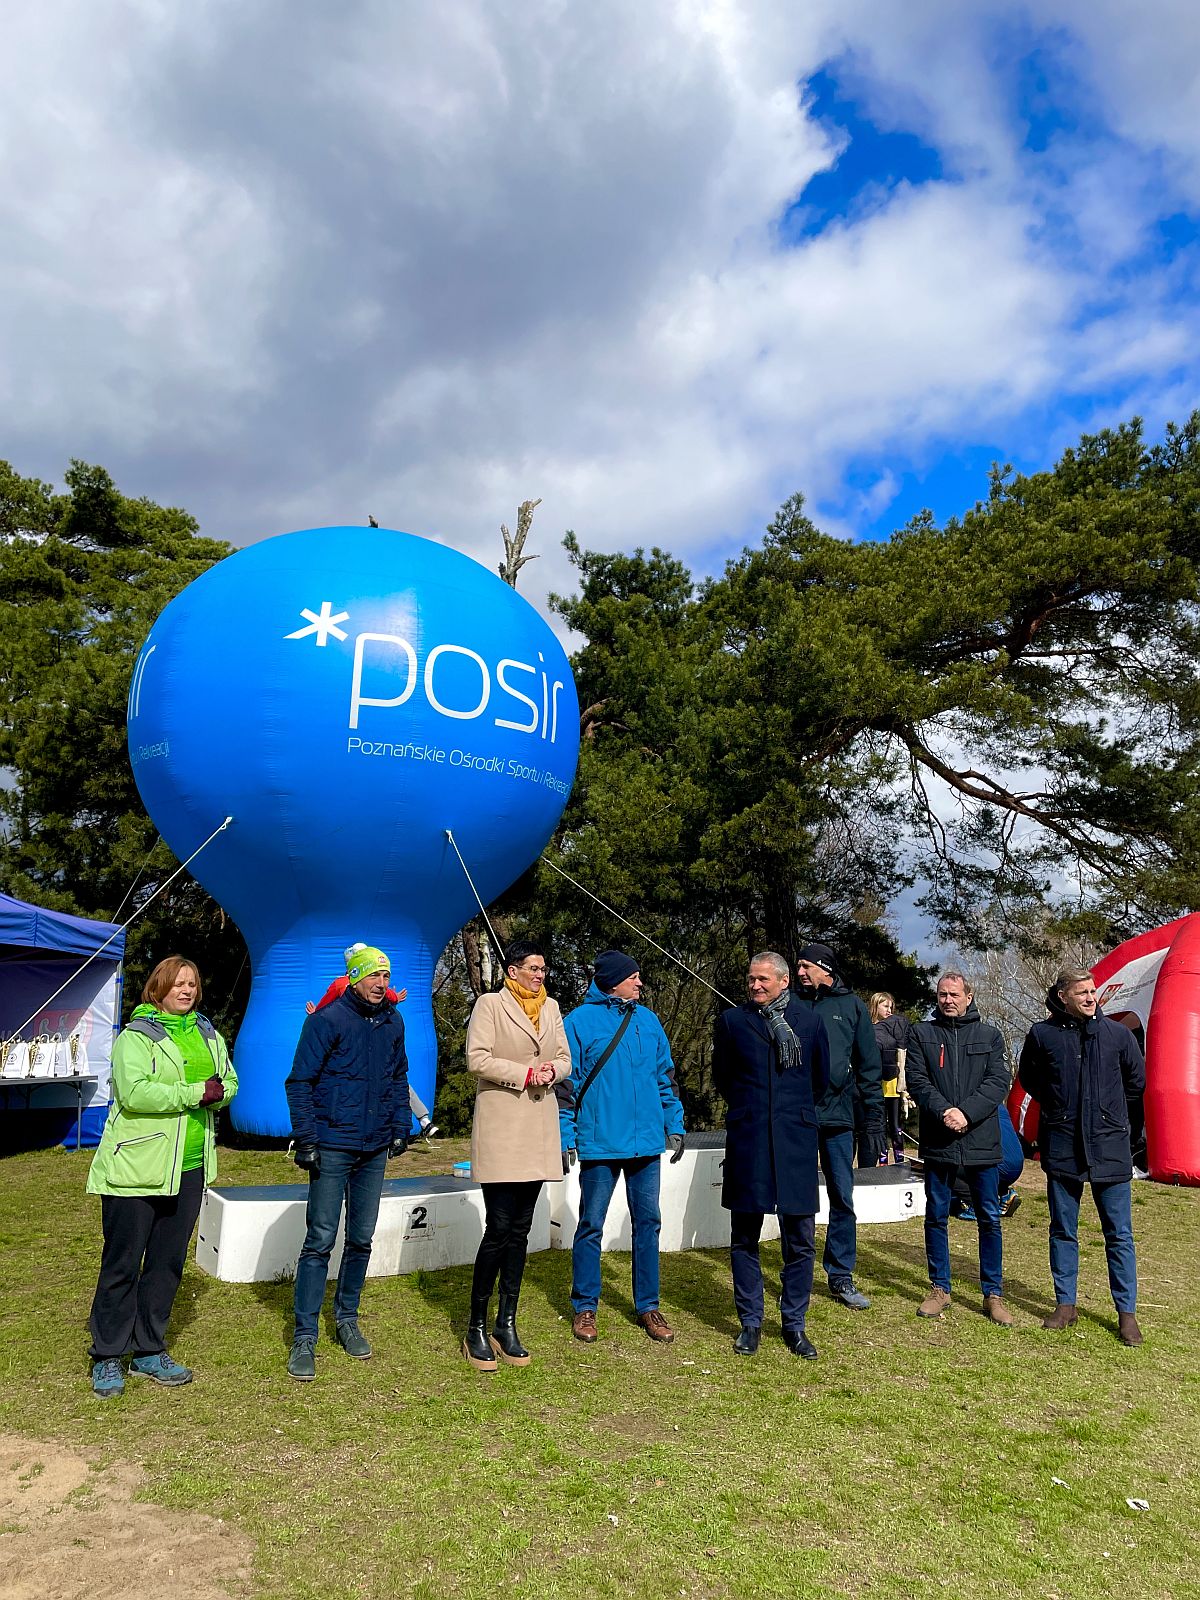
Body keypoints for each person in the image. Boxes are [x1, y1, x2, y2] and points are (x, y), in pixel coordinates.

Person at [86, 956, 237, 1398]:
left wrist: (219, 1091)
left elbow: (229, 1082)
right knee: (122, 1263)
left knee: (167, 1263)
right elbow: (134, 1094)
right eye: (177, 984)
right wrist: (196, 1092)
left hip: (190, 1166)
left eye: (192, 984)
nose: (186, 991)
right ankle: (108, 1355)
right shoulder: (136, 1037)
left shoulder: (208, 1033)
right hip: (137, 1167)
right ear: (158, 988)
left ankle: (149, 1350)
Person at [284, 943, 410, 1381]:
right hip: (332, 1145)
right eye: (373, 976)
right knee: (319, 1239)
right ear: (354, 978)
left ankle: (347, 1319)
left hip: (374, 1147)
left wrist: (401, 1125)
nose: (380, 984)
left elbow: (399, 1078)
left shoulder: (394, 1021)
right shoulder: (326, 1020)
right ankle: (304, 1335)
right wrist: (307, 1140)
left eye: (386, 977)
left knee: (361, 1238)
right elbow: (299, 1081)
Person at [559, 950, 686, 1345]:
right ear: (612, 980)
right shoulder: (578, 1022)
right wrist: (566, 1137)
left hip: (646, 1144)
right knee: (590, 1225)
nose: (640, 983)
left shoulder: (648, 1021)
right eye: (633, 977)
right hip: (599, 1145)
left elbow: (666, 1077)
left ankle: (648, 1306)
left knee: (648, 1224)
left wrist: (675, 1124)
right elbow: (566, 1087)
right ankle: (585, 1306)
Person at [1018, 967, 1146, 1345]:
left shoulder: (1118, 1036)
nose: (1091, 998)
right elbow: (1030, 1078)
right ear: (1062, 997)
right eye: (1082, 993)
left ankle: (1127, 1314)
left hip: (1110, 1147)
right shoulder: (1042, 1035)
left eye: (1093, 991)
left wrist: (1107, 1113)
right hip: (1062, 1145)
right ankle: (1065, 1305)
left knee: (1119, 1234)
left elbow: (1136, 1083)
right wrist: (1061, 1106)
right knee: (1062, 1229)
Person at [713, 951, 830, 1359]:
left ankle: (794, 1324)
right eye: (750, 979)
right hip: (750, 1140)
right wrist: (752, 1112)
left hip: (796, 1141)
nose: (755, 986)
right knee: (744, 1236)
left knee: (800, 1240)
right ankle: (750, 1322)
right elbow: (723, 1078)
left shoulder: (810, 1022)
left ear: (783, 981)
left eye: (763, 979)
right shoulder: (732, 1023)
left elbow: (819, 1080)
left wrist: (790, 1117)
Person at [462, 938, 570, 1371]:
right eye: (532, 968)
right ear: (512, 971)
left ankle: (507, 1322)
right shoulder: (490, 1005)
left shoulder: (552, 1007)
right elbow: (477, 1058)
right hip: (503, 1126)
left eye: (543, 968)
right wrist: (524, 1073)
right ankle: (476, 1326)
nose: (540, 975)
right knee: (500, 1226)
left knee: (523, 1228)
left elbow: (564, 1056)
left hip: (540, 1126)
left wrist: (551, 1070)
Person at [905, 972, 1012, 1324]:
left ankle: (992, 1293)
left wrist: (966, 1113)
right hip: (939, 1141)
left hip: (981, 1140)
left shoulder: (990, 1035)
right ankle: (940, 1288)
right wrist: (944, 1111)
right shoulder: (922, 1033)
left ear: (968, 996)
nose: (947, 1000)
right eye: (942, 995)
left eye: (954, 994)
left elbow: (998, 1081)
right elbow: (917, 1081)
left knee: (989, 1217)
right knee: (936, 1215)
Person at [793, 942, 884, 1310]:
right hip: (797, 1118)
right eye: (796, 966)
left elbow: (869, 1066)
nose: (799, 972)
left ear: (823, 968)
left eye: (804, 966)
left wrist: (874, 1119)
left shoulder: (852, 1006)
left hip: (839, 1120)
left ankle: (840, 1275)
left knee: (842, 1198)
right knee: (797, 1199)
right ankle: (795, 1271)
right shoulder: (790, 1003)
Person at [307, 946, 437, 1137]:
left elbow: (324, 1007)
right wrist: (396, 998)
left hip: (353, 1048)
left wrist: (315, 1013)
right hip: (369, 1041)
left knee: (378, 1080)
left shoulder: (339, 984)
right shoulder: (351, 987)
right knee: (391, 1079)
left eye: (384, 976)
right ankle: (423, 1119)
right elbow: (388, 996)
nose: (380, 983)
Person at [870, 991, 909, 1166]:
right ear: (875, 1005)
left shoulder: (896, 1027)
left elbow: (902, 1052)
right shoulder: (867, 1028)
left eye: (891, 1007)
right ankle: (883, 1160)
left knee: (894, 1123)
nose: (889, 1010)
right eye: (885, 1006)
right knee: (879, 1124)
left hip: (892, 1082)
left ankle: (899, 1159)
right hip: (875, 1083)